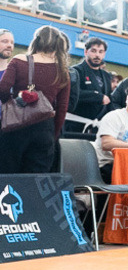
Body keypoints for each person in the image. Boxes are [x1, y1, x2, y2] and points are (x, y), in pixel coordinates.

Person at [0, 25, 71, 173]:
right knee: (36, 182)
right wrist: (53, 133)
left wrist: (12, 103)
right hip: (44, 130)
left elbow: (3, 89)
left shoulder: (19, 61)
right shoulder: (63, 70)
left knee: (8, 177)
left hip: (15, 127)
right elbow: (62, 108)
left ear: (36, 41)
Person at [66, 37, 114, 134]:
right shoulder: (75, 71)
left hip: (97, 128)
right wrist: (97, 97)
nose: (97, 55)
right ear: (86, 52)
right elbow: (72, 94)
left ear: (104, 54)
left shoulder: (106, 76)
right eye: (93, 51)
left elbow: (109, 100)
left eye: (101, 52)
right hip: (75, 125)